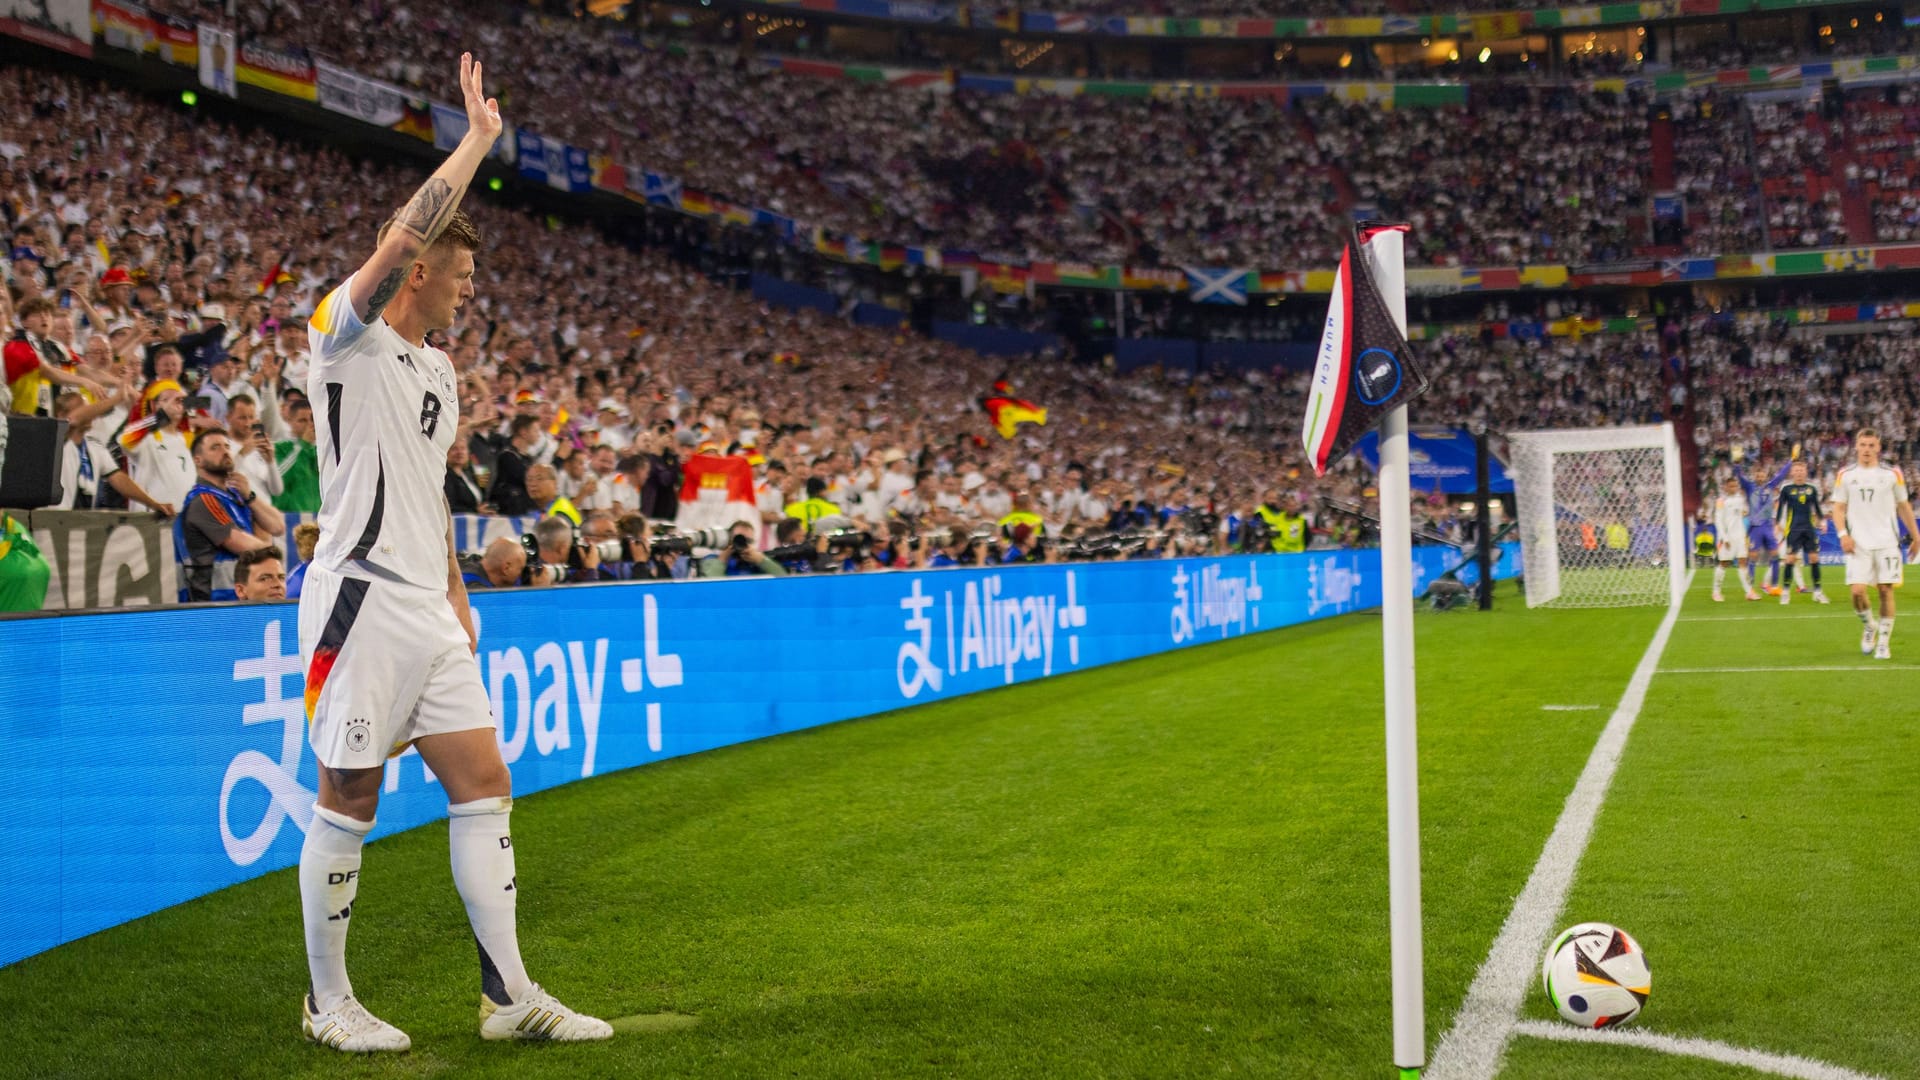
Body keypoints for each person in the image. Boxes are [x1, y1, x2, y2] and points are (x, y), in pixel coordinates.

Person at [294, 54, 611, 1054]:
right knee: (351, 795)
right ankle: (327, 1003)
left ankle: (509, 996)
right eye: (463, 274)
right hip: (355, 603)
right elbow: (397, 235)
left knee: (485, 783)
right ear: (420, 271)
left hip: (428, 611)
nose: (471, 293)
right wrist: (476, 141)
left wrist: (458, 590)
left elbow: (430, 496)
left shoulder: (439, 374)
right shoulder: (340, 340)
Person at [1831, 428, 1920, 659]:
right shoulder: (1846, 474)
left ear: (1878, 448)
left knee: (1885, 590)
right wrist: (1843, 535)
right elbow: (1838, 508)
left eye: (1872, 445)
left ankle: (1883, 642)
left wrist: (1916, 535)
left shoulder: (1892, 474)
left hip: (1887, 542)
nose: (1867, 449)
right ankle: (1870, 625)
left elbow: (1903, 505)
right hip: (1857, 543)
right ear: (1856, 447)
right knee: (1857, 592)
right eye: (1863, 445)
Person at [176, 427, 286, 602]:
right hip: (215, 600)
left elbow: (278, 526)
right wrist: (270, 550)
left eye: (227, 446)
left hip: (236, 595)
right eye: (215, 448)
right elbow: (240, 543)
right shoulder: (203, 499)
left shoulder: (237, 494)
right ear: (198, 460)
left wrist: (250, 496)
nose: (225, 451)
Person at [1773, 458, 1829, 605]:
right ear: (1792, 472)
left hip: (1809, 529)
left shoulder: (1812, 489)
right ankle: (1785, 592)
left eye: (1801, 470)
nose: (1799, 473)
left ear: (1805, 472)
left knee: (1814, 559)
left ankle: (1817, 592)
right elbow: (1780, 508)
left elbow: (1816, 507)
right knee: (1790, 560)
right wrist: (1777, 523)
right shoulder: (1786, 489)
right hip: (1793, 529)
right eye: (1796, 470)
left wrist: (1822, 521)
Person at [1710, 475, 1758, 603]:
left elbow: (1742, 516)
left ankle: (1749, 592)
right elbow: (1718, 521)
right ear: (1725, 487)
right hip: (1726, 539)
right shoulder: (1721, 501)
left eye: (1735, 485)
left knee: (1743, 562)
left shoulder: (1740, 499)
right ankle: (1716, 592)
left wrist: (1745, 535)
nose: (1734, 488)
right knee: (1724, 563)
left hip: (1740, 537)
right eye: (1731, 486)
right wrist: (1724, 538)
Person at [272, 398, 322, 513]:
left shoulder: (321, 450)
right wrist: (303, 445)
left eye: (312, 420)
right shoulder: (280, 448)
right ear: (290, 420)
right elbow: (278, 481)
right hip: (291, 518)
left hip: (319, 519)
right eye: (303, 420)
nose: (310, 425)